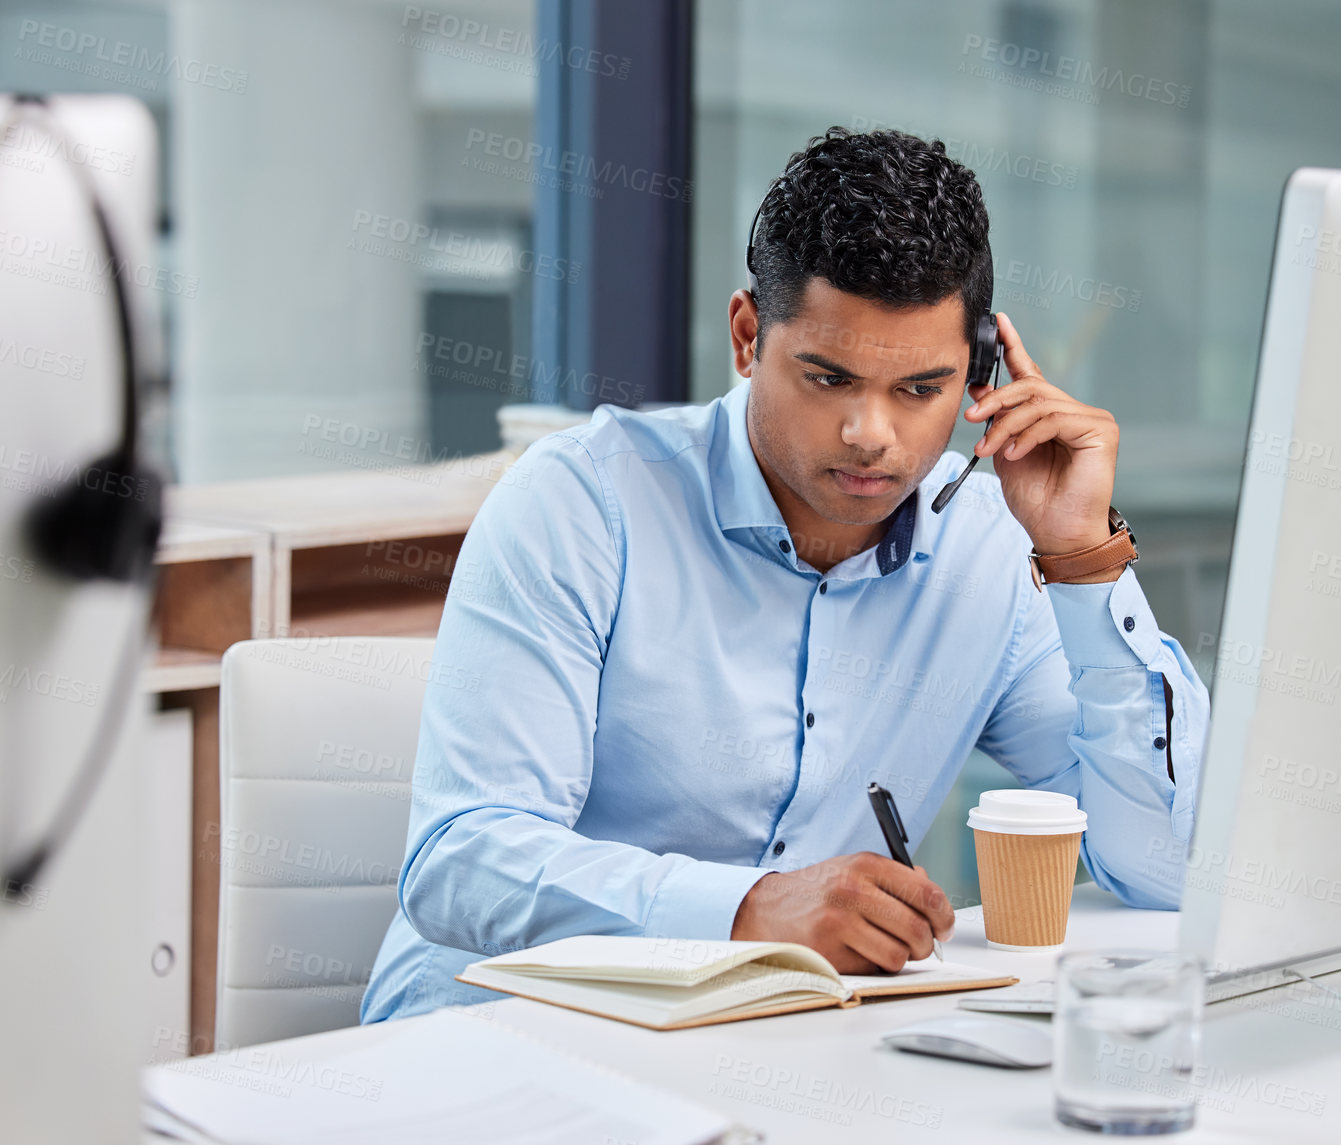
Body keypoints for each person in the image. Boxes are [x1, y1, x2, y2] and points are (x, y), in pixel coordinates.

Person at [361, 127, 1208, 1022]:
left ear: (980, 380)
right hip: (494, 1035)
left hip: (780, 1050)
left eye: (920, 389)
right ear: (745, 335)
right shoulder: (583, 503)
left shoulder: (989, 551)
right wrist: (750, 910)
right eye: (828, 377)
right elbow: (463, 859)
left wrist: (1081, 558)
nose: (870, 434)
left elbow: (1160, 865)